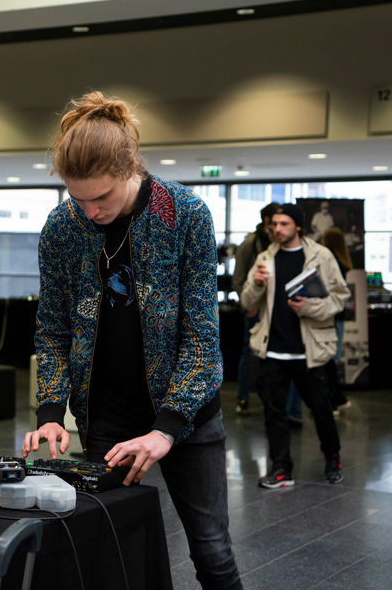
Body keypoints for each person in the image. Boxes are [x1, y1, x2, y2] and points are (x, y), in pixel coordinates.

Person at [21, 92, 242, 590]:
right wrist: (51, 413)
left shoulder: (183, 213)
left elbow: (202, 340)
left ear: (129, 169)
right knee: (111, 553)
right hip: (107, 418)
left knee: (212, 550)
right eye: (79, 199)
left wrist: (166, 428)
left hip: (185, 418)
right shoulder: (62, 227)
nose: (92, 211)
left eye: (103, 198)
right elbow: (53, 329)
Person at [241, 204, 350, 488]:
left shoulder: (321, 255)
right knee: (274, 413)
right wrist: (255, 283)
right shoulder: (265, 257)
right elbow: (247, 303)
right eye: (274, 224)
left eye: (284, 224)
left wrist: (310, 307)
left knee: (321, 408)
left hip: (309, 349)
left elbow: (340, 298)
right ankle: (281, 468)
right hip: (273, 348)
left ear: (298, 226)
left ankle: (332, 458)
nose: (277, 229)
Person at [231, 202, 279, 415]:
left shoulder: (280, 244)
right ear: (267, 220)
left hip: (275, 310)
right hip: (253, 309)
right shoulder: (251, 242)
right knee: (249, 355)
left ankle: (275, 402)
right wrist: (247, 304)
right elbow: (238, 278)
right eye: (275, 220)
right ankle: (243, 398)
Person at [322, 226, 353, 413]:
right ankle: (335, 397)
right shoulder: (342, 261)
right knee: (331, 359)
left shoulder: (331, 262)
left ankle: (333, 399)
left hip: (331, 316)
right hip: (337, 315)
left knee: (328, 360)